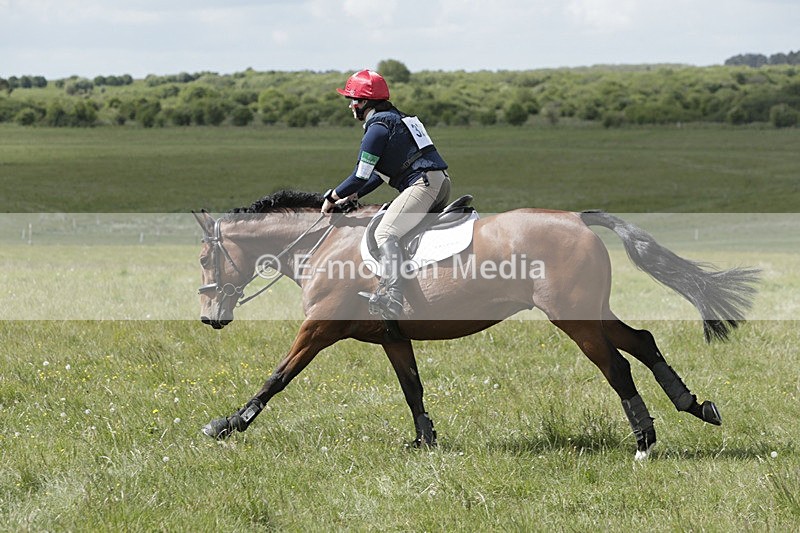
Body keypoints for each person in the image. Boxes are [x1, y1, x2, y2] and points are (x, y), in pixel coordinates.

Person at [321, 69, 451, 320]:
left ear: (366, 102)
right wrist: (355, 196)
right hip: (439, 182)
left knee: (384, 232)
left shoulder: (378, 128)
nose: (350, 105)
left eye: (354, 99)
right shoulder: (396, 118)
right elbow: (378, 175)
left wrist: (332, 197)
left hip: (423, 185)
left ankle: (392, 298)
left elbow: (360, 176)